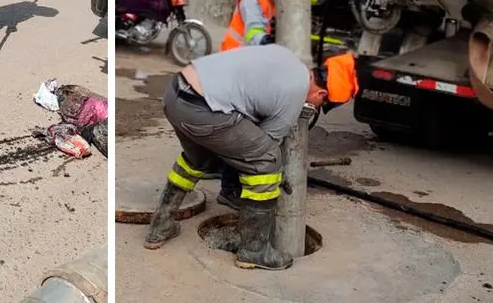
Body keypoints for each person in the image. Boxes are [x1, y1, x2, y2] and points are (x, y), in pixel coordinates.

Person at [143, 45, 358, 270]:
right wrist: (277, 175)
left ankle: (160, 226)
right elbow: (262, 148)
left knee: (197, 159)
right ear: (321, 94)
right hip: (204, 110)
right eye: (320, 104)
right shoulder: (293, 98)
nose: (315, 107)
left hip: (175, 94)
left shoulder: (286, 58)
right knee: (267, 161)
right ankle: (254, 251)